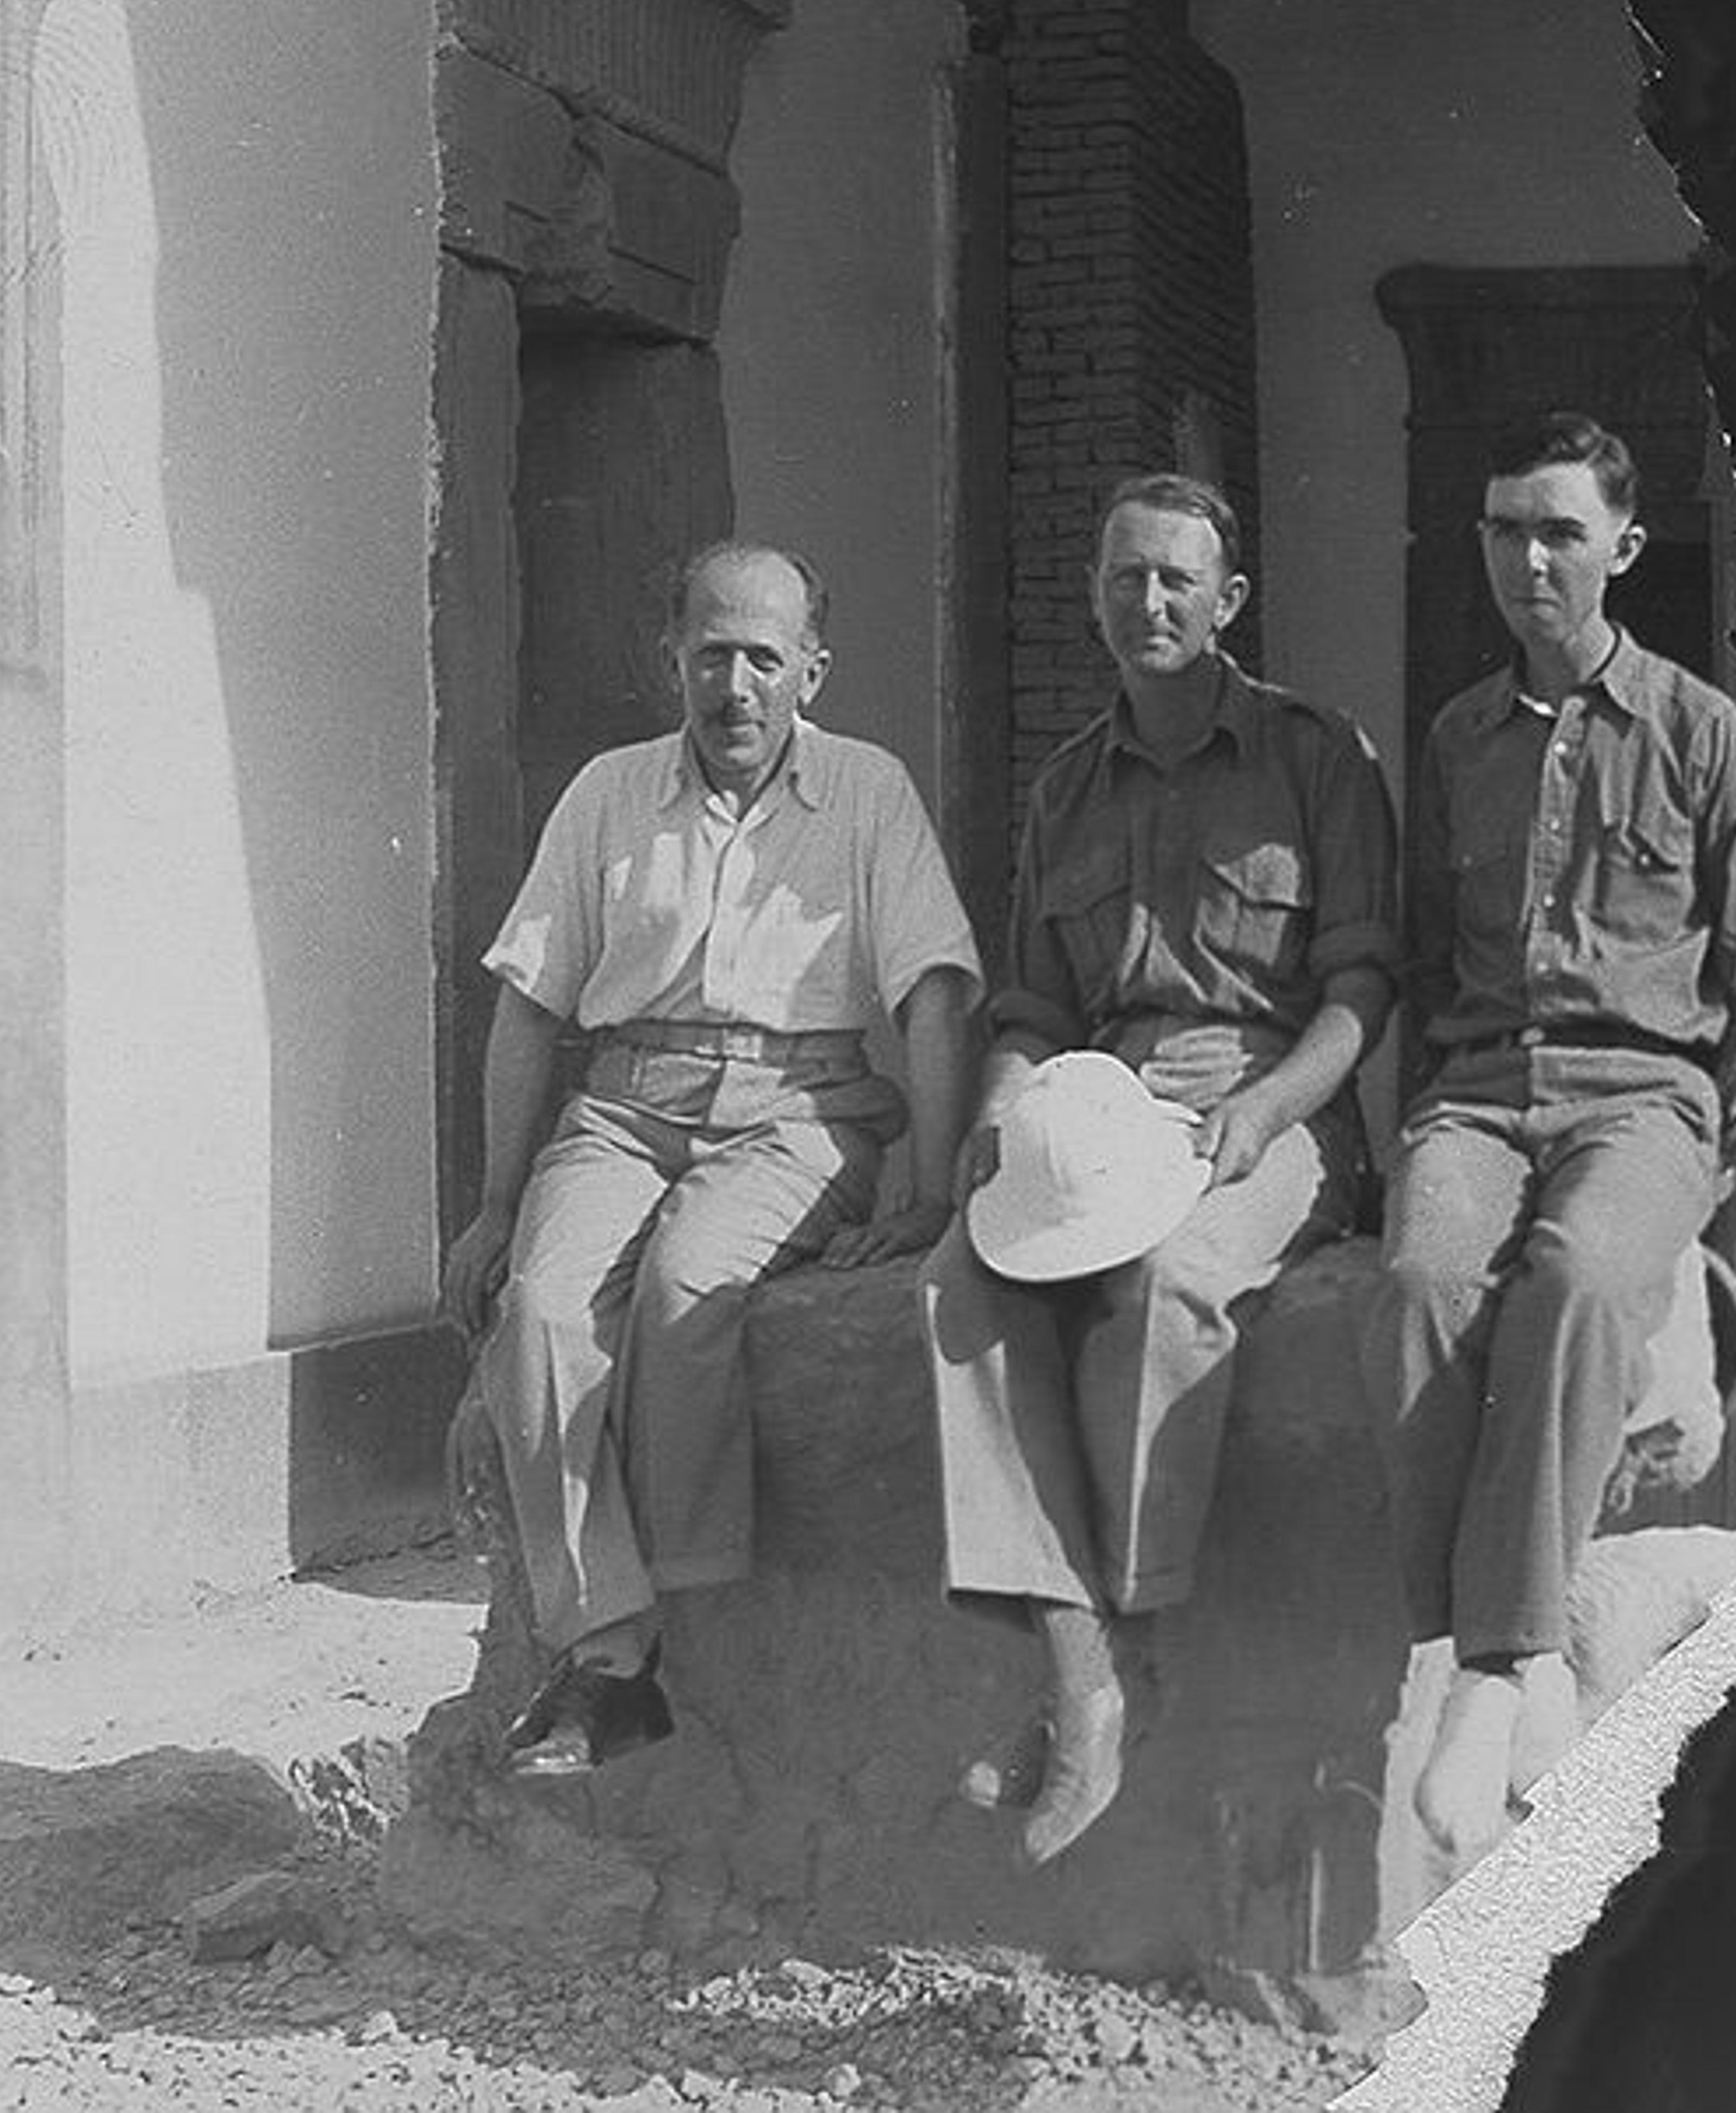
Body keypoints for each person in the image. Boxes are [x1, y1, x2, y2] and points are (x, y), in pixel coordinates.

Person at [921, 472, 1399, 1866]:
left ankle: (1121, 1651)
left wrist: (1266, 1112)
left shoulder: (1315, 758)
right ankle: (1084, 1670)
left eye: (1179, 581)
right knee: (961, 1287)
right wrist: (1002, 1115)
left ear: (1228, 600)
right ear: (1096, 595)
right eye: (1127, 578)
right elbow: (1032, 1007)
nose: (1151, 604)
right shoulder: (1066, 787)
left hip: (1273, 1100)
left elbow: (1364, 985)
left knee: (1164, 1284)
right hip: (1100, 1104)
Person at [443, 540, 981, 1777]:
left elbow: (938, 996)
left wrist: (937, 1190)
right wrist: (493, 1200)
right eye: (712, 654)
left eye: (765, 659)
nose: (736, 686)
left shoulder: (869, 792)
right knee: (537, 1308)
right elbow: (531, 1004)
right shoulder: (608, 794)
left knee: (691, 1287)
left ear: (814, 672)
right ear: (671, 659)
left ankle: (697, 1619)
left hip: (800, 1111)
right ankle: (613, 1653)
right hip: (626, 1102)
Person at [1366, 411, 1736, 1862]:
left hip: (1645, 1097)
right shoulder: (1456, 738)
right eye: (1506, 529)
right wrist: (1426, 1117)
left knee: (1572, 1277)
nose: (1530, 559)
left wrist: (1708, 1165)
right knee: (1422, 1282)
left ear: (1621, 548)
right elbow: (1429, 961)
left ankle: (1496, 1666)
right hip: (1485, 1086)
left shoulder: (1699, 728)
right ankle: (1516, 1659)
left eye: (1560, 530)